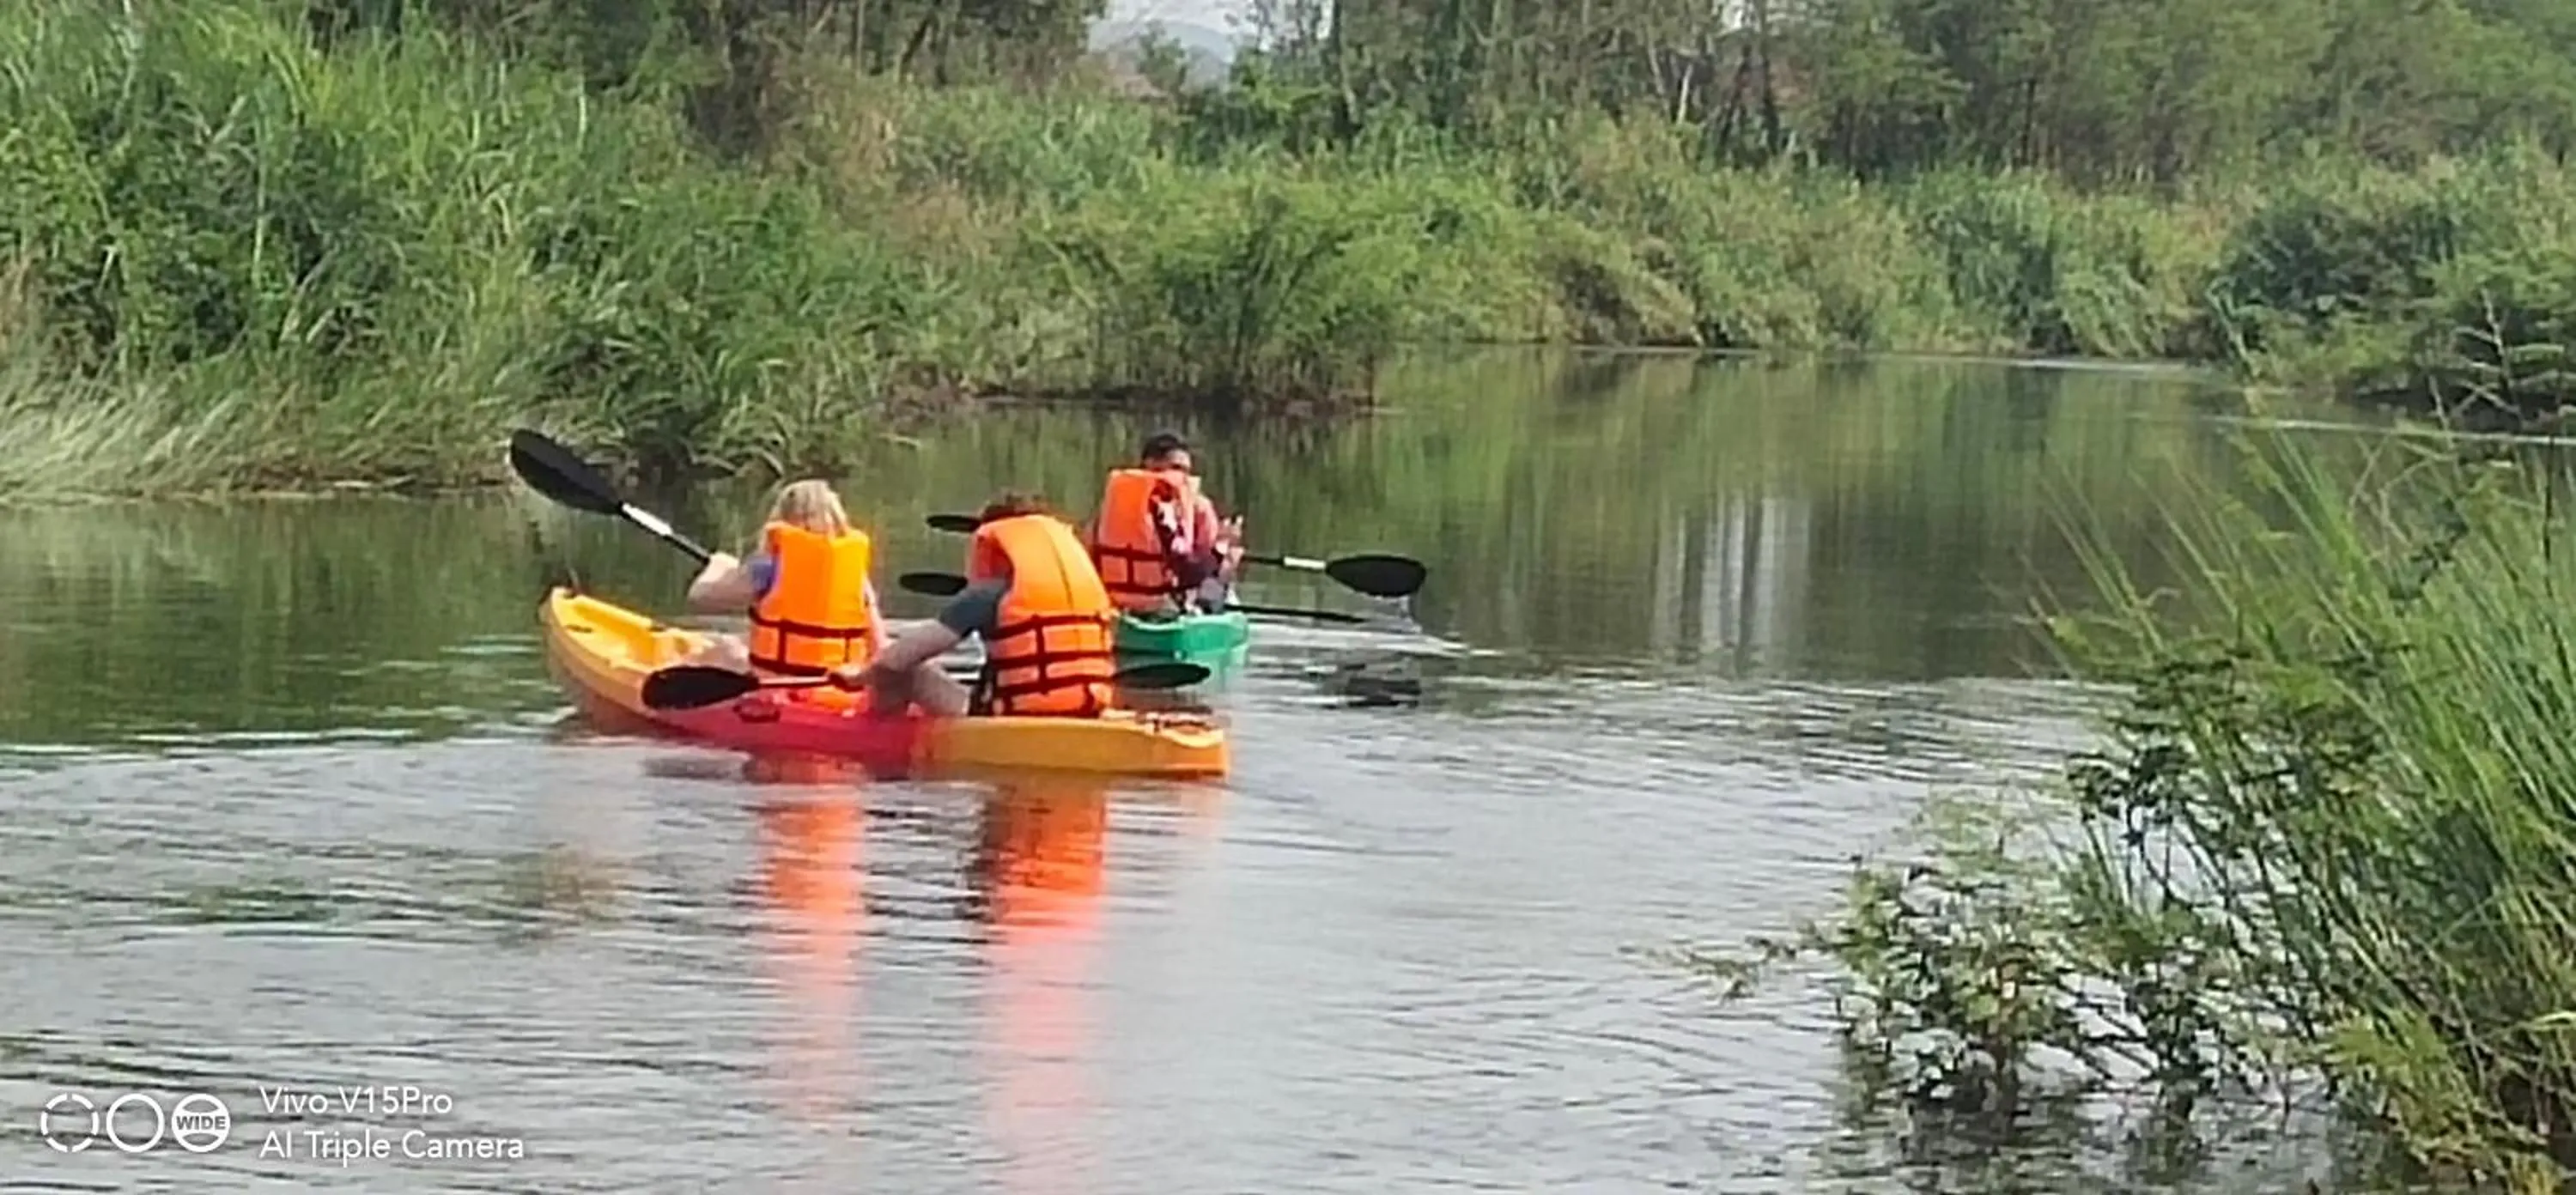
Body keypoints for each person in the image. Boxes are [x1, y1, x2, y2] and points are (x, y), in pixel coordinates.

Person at [830, 492, 1119, 720]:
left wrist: (859, 676)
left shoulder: (988, 595)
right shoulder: (1087, 588)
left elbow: (895, 659)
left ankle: (870, 734)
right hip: (1086, 708)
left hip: (1010, 716)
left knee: (902, 670)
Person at [680, 479, 888, 681]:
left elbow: (699, 595)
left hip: (777, 683)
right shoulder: (855, 576)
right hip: (835, 685)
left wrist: (718, 567)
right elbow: (879, 646)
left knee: (723, 646)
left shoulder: (765, 567)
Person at [1084, 431, 1243, 616]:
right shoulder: (1173, 511)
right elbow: (1192, 575)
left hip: (1116, 608)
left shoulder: (1114, 501)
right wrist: (1223, 546)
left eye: (1186, 471)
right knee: (1222, 568)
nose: (1182, 478)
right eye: (1175, 469)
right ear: (1149, 467)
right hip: (1164, 609)